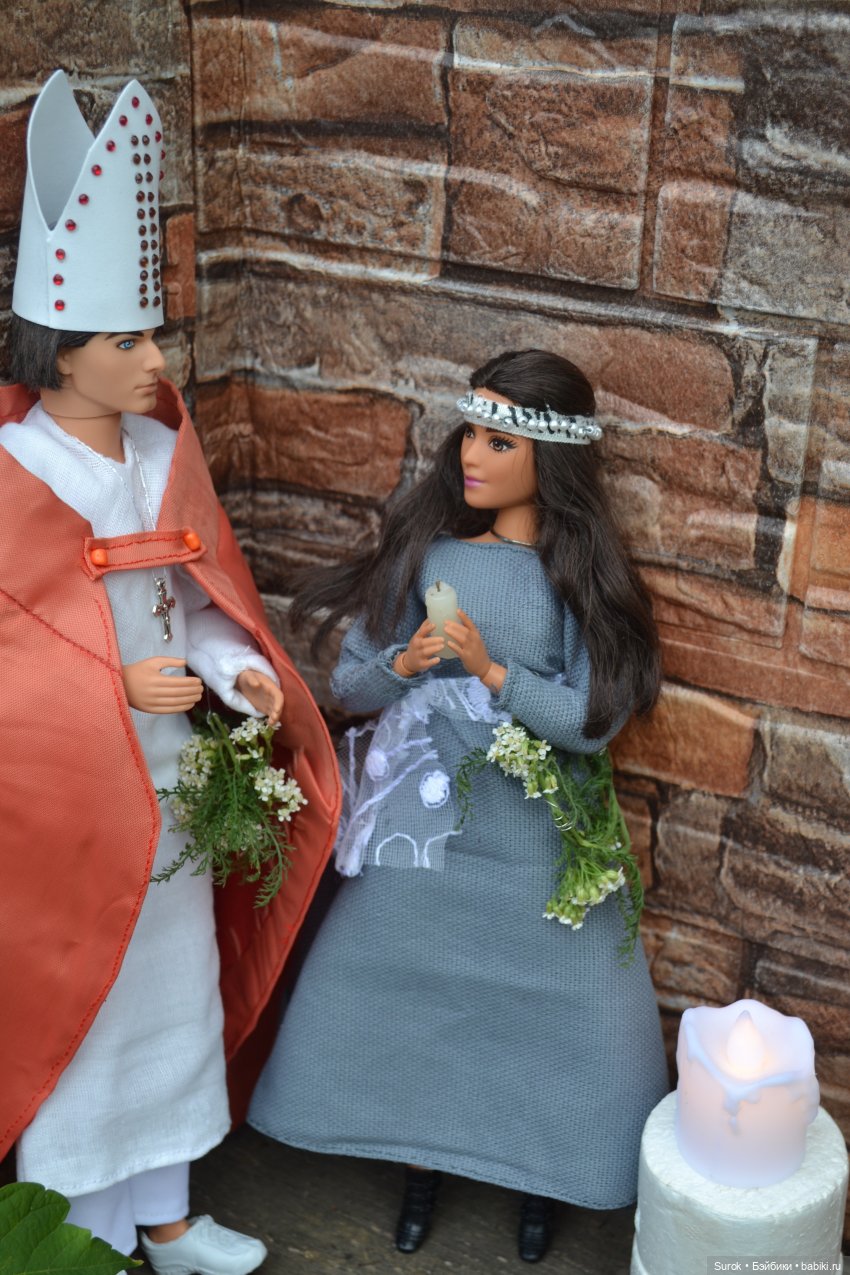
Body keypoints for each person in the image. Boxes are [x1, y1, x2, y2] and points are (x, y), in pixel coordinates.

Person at [0, 71, 339, 1273]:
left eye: (150, 334)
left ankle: (167, 1214)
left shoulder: (156, 455)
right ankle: (82, 1231)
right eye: (127, 340)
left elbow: (199, 597)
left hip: (177, 780)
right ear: (60, 355)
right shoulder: (15, 475)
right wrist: (108, 693)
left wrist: (234, 669)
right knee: (81, 1001)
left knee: (172, 996)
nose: (154, 360)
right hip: (66, 808)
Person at [248, 348, 670, 1263]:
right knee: (405, 991)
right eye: (470, 433)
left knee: (552, 1011)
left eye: (498, 441)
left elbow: (592, 722)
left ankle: (538, 1181)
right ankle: (419, 1166)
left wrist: (492, 669)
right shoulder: (433, 556)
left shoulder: (572, 580)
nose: (471, 455)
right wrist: (405, 663)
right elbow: (351, 681)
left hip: (537, 845)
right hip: (428, 833)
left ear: (550, 457)